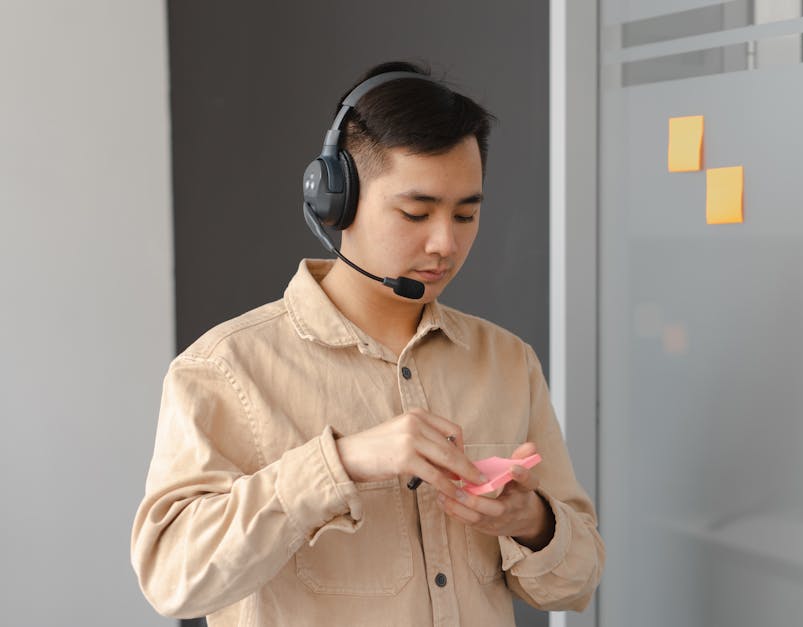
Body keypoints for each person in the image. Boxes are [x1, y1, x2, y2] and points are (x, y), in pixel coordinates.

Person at [131, 61, 603, 626]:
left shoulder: (507, 361)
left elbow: (577, 584)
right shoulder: (225, 368)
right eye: (416, 212)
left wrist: (531, 521)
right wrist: (342, 462)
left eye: (466, 213)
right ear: (338, 200)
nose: (444, 243)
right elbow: (172, 580)